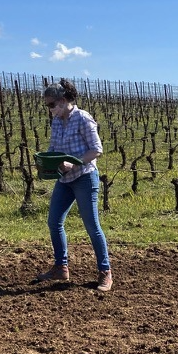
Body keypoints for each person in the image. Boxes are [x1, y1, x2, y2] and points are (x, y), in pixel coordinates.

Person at [33, 78, 112, 292]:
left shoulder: (83, 118)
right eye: (47, 105)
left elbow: (96, 150)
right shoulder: (57, 121)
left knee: (92, 226)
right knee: (54, 222)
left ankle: (105, 272)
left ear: (64, 100)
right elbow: (54, 149)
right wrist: (45, 161)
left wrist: (73, 162)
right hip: (65, 179)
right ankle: (61, 267)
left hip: (84, 177)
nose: (50, 109)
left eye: (52, 104)